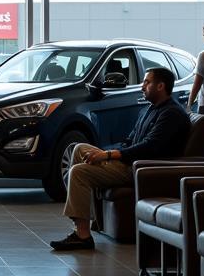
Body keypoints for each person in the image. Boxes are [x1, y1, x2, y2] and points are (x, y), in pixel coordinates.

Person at [49, 67, 190, 252]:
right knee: (79, 149)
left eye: (147, 82)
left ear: (160, 86)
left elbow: (150, 147)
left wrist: (109, 155)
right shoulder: (150, 110)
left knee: (78, 172)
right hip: (129, 161)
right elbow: (130, 141)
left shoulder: (171, 114)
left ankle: (82, 236)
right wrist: (107, 152)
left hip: (141, 169)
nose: (142, 86)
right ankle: (87, 221)